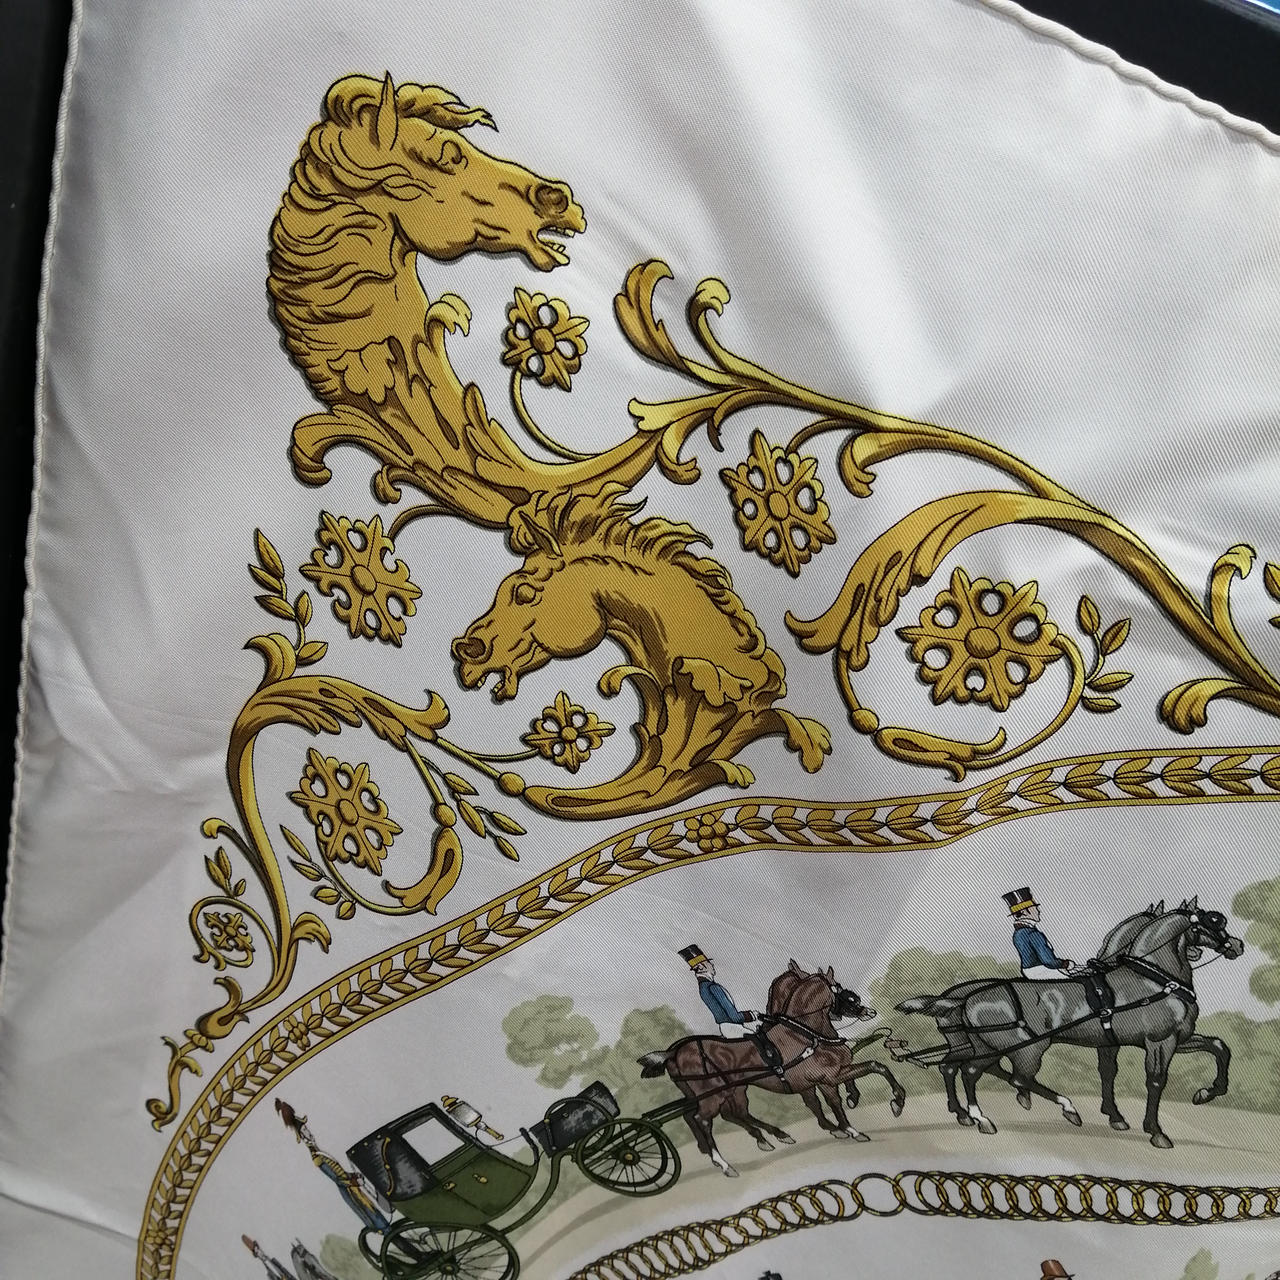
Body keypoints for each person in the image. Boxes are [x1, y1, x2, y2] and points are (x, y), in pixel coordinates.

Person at [275, 1097, 392, 1233]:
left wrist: (353, 1175)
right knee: (371, 1215)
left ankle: (388, 1230)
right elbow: (337, 1179)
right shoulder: (318, 1159)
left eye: (307, 1130)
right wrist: (353, 1181)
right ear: (302, 1137)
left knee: (373, 1210)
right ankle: (386, 1231)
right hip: (351, 1194)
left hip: (354, 1190)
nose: (310, 1134)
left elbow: (341, 1173)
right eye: (305, 1132)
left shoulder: (321, 1153)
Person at [680, 944, 785, 1076]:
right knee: (760, 1041)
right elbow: (734, 1016)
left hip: (725, 1027)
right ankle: (777, 1069)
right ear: (701, 967)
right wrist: (753, 1015)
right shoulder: (713, 987)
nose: (712, 966)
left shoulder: (703, 988)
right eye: (708, 963)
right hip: (732, 1027)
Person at [1003, 889, 1082, 980]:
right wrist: (1066, 964)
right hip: (1043, 971)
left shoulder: (1017, 934)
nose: (1039, 911)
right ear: (1025, 911)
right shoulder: (1033, 934)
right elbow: (1048, 961)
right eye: (1035, 908)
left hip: (1028, 972)